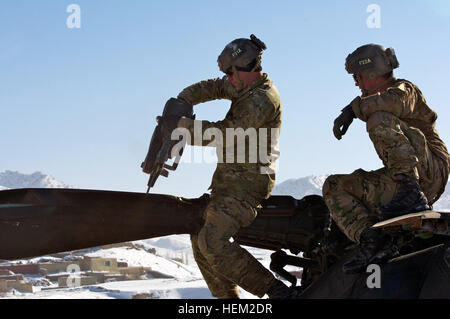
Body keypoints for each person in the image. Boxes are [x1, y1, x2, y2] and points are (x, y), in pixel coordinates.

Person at [166, 35, 297, 298]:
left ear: (245, 68)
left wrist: (182, 129)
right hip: (229, 182)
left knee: (211, 241)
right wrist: (184, 99)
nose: (227, 79)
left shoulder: (262, 98)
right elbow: (215, 87)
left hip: (248, 186)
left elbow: (227, 134)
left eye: (230, 73)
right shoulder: (242, 84)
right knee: (197, 230)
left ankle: (276, 292)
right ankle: (228, 300)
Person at [323, 44, 450, 274]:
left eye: (358, 77)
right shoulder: (375, 100)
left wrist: (353, 110)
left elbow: (393, 103)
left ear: (371, 74)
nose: (356, 83)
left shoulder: (405, 89)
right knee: (334, 185)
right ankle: (372, 240)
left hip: (431, 172)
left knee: (378, 118)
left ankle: (410, 192)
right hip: (402, 179)